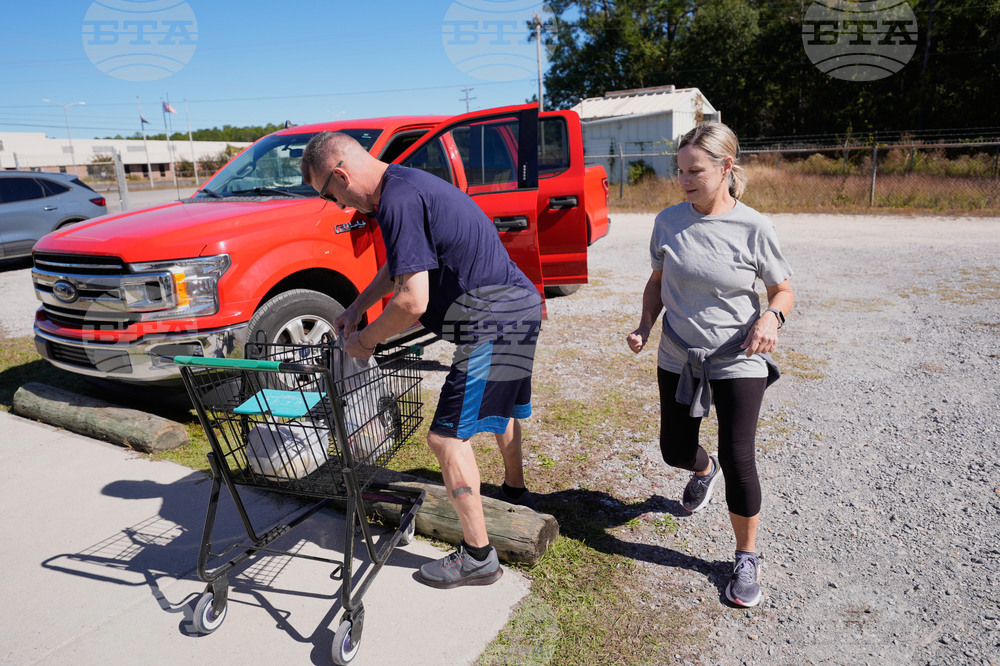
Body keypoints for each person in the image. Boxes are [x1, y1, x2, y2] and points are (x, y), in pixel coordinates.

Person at [301, 131, 541, 589]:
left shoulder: (395, 200)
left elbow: (412, 300)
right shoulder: (404, 185)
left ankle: (478, 557)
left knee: (446, 440)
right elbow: (400, 265)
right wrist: (357, 306)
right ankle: (514, 491)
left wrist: (366, 341)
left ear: (341, 173)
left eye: (331, 195)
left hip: (492, 323)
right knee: (501, 408)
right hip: (516, 308)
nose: (340, 206)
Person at [626, 121, 794, 608]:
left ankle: (746, 556)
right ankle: (702, 470)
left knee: (741, 458)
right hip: (679, 354)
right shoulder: (668, 221)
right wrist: (645, 324)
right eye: (679, 171)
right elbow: (657, 281)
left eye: (695, 170)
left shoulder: (754, 226)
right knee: (675, 449)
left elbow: (783, 288)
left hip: (739, 358)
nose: (684, 180)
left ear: (725, 168)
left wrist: (772, 317)